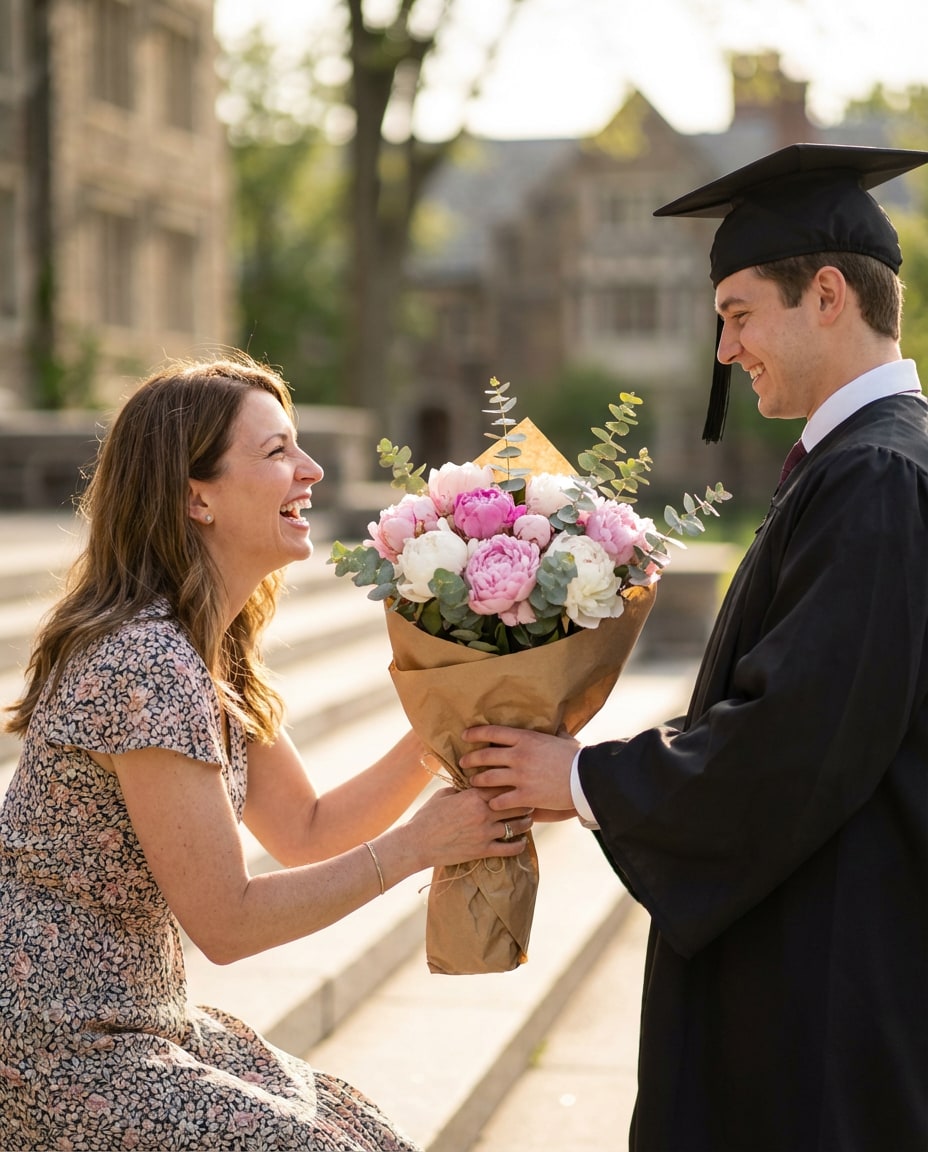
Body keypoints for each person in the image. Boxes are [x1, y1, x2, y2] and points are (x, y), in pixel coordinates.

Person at [461, 143, 928, 1151]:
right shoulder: (869, 461)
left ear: (828, 295)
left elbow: (795, 736)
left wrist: (580, 778)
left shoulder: (876, 477)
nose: (725, 348)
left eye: (738, 313)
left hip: (831, 984)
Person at [0, 355, 533, 1150]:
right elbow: (227, 922)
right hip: (58, 1046)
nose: (311, 470)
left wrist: (447, 719)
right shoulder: (145, 662)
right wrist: (419, 844)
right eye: (278, 451)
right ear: (197, 497)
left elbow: (307, 829)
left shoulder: (205, 649)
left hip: (139, 1020)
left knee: (366, 1132)